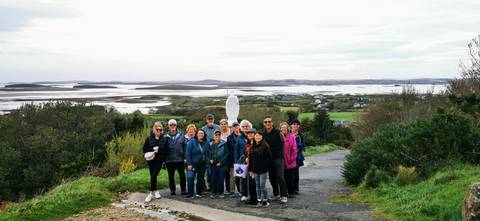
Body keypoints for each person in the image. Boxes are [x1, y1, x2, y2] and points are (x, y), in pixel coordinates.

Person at [262, 115, 288, 204]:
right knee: (272, 178)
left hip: (278, 159)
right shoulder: (263, 134)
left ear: (272, 123)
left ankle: (284, 195)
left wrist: (280, 156)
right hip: (268, 160)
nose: (268, 123)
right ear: (264, 123)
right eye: (266, 122)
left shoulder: (278, 132)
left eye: (269, 121)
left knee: (280, 177)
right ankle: (276, 194)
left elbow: (284, 142)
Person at [143, 121, 170, 203]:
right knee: (152, 176)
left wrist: (160, 152)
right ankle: (155, 191)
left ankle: (151, 193)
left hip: (159, 160)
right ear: (154, 129)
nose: (158, 131)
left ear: (162, 130)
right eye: (157, 129)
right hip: (151, 160)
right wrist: (153, 149)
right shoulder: (149, 138)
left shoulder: (164, 139)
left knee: (154, 175)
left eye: (160, 129)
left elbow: (167, 150)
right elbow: (144, 149)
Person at [185, 129, 209, 199]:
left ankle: (199, 192)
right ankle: (190, 194)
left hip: (202, 164)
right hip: (193, 163)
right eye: (199, 133)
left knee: (200, 178)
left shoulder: (206, 143)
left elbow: (207, 153)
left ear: (204, 134)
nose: (200, 134)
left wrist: (207, 162)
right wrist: (189, 163)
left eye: (202, 133)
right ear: (196, 134)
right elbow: (188, 153)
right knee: (190, 177)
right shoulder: (191, 142)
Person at [250, 132, 272, 208]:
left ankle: (265, 200)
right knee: (257, 185)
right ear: (254, 137)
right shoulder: (252, 146)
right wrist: (250, 170)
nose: (257, 137)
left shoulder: (265, 146)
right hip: (255, 169)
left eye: (259, 135)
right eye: (256, 135)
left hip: (263, 170)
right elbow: (250, 159)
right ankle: (259, 200)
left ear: (262, 137)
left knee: (262, 185)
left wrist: (266, 168)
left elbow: (269, 158)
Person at [165, 119, 187, 196]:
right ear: (168, 126)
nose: (172, 126)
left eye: (174, 125)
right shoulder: (165, 136)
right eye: (171, 125)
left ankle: (183, 189)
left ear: (176, 125)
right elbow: (163, 149)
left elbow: (185, 147)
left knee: (182, 176)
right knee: (171, 176)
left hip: (180, 159)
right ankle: (172, 190)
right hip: (169, 160)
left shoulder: (181, 135)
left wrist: (185, 158)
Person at [208, 130, 229, 198]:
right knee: (213, 178)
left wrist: (221, 162)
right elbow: (207, 154)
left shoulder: (224, 143)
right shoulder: (210, 144)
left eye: (219, 135)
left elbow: (226, 154)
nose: (217, 136)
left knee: (221, 179)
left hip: (221, 165)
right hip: (213, 164)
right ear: (213, 136)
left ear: (220, 136)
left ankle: (221, 192)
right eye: (216, 135)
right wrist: (209, 160)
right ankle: (214, 192)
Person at [202, 113, 220, 191]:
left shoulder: (218, 127)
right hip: (208, 150)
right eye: (209, 120)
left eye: (211, 119)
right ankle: (209, 184)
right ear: (206, 120)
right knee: (209, 170)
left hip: (216, 149)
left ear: (213, 120)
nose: (210, 121)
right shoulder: (203, 128)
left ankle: (216, 185)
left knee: (216, 168)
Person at [234, 120, 252, 201]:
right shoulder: (239, 138)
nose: (245, 128)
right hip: (241, 161)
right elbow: (236, 151)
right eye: (243, 126)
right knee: (241, 178)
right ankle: (243, 193)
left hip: (251, 161)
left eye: (247, 126)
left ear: (249, 127)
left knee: (251, 178)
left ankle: (251, 193)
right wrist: (236, 162)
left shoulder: (252, 136)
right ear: (241, 128)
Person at [280, 122, 298, 197]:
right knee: (283, 177)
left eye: (285, 127)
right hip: (281, 160)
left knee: (290, 177)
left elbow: (294, 149)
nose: (284, 129)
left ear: (287, 128)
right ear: (280, 129)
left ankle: (291, 192)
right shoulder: (279, 136)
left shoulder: (291, 136)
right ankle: (285, 192)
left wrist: (291, 158)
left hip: (290, 160)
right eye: (282, 127)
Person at [291, 119, 305, 194]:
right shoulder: (288, 133)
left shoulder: (301, 135)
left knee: (295, 173)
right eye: (294, 124)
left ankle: (296, 189)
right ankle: (289, 188)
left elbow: (303, 146)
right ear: (291, 125)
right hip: (289, 156)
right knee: (289, 173)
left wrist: (298, 147)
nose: (295, 125)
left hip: (297, 156)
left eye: (297, 124)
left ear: (299, 126)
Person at [225, 121, 240, 196]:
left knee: (240, 176)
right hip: (232, 160)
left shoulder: (243, 136)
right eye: (234, 126)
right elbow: (227, 150)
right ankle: (232, 191)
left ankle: (241, 191)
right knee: (233, 176)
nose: (236, 128)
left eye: (237, 126)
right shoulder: (229, 138)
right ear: (232, 128)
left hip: (241, 159)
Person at [245, 127, 258, 205]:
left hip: (255, 166)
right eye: (248, 133)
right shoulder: (248, 144)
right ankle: (251, 197)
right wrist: (246, 158)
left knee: (255, 183)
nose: (249, 135)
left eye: (251, 133)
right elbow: (246, 153)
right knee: (250, 183)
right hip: (249, 166)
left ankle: (256, 198)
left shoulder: (257, 144)